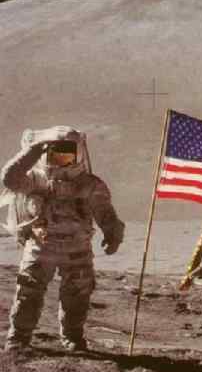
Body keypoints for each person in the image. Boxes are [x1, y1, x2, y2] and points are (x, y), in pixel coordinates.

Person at [1, 126, 124, 352]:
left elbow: (105, 213)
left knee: (77, 296)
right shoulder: (36, 180)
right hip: (41, 246)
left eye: (68, 153)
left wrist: (113, 233)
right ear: (47, 152)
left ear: (79, 153)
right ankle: (18, 338)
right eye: (56, 152)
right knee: (28, 292)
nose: (62, 159)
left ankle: (73, 338)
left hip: (77, 248)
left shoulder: (89, 185)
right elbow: (10, 179)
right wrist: (32, 151)